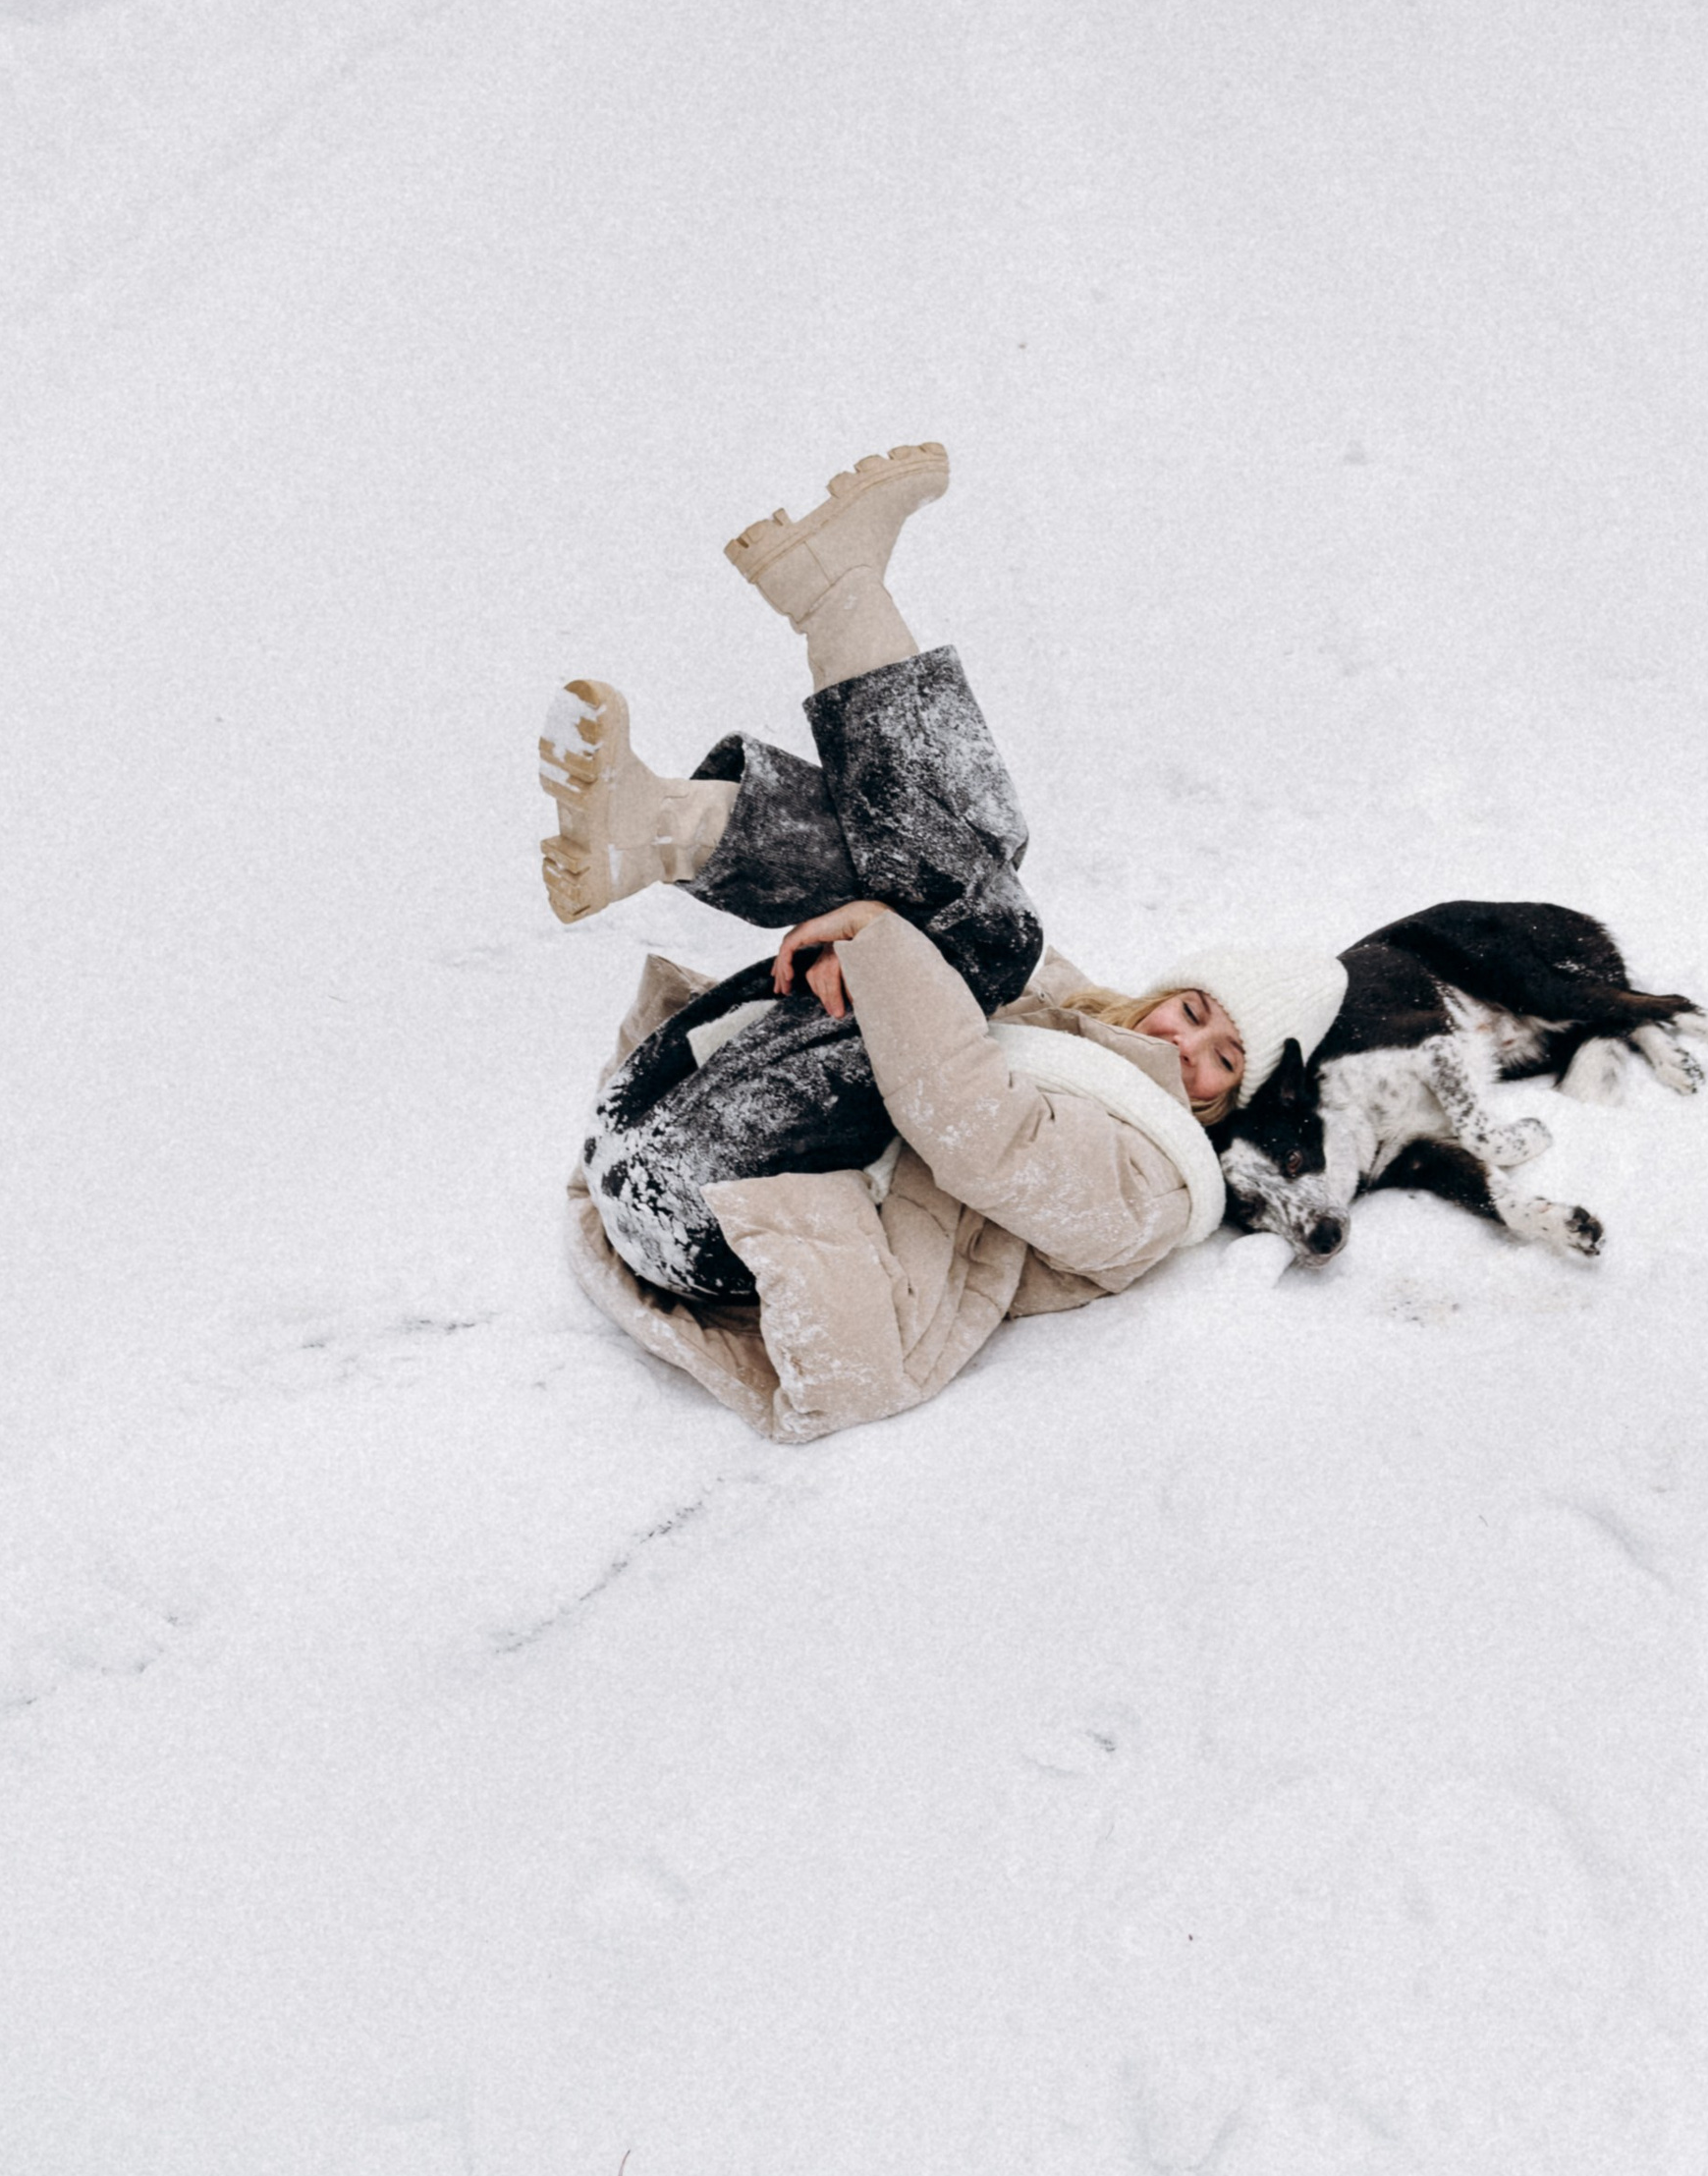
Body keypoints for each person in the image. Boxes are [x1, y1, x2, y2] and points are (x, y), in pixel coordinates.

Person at [547, 444, 1346, 1444]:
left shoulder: (1155, 1186)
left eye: (1223, 1059)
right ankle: (679, 793)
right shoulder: (1066, 1017)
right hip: (662, 1102)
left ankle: (709, 782)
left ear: (1229, 1100)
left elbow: (975, 1129)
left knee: (985, 930)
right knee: (966, 893)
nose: (1188, 1047)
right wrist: (884, 946)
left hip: (706, 1213)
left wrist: (881, 946)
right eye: (1194, 1010)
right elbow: (941, 898)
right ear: (1162, 993)